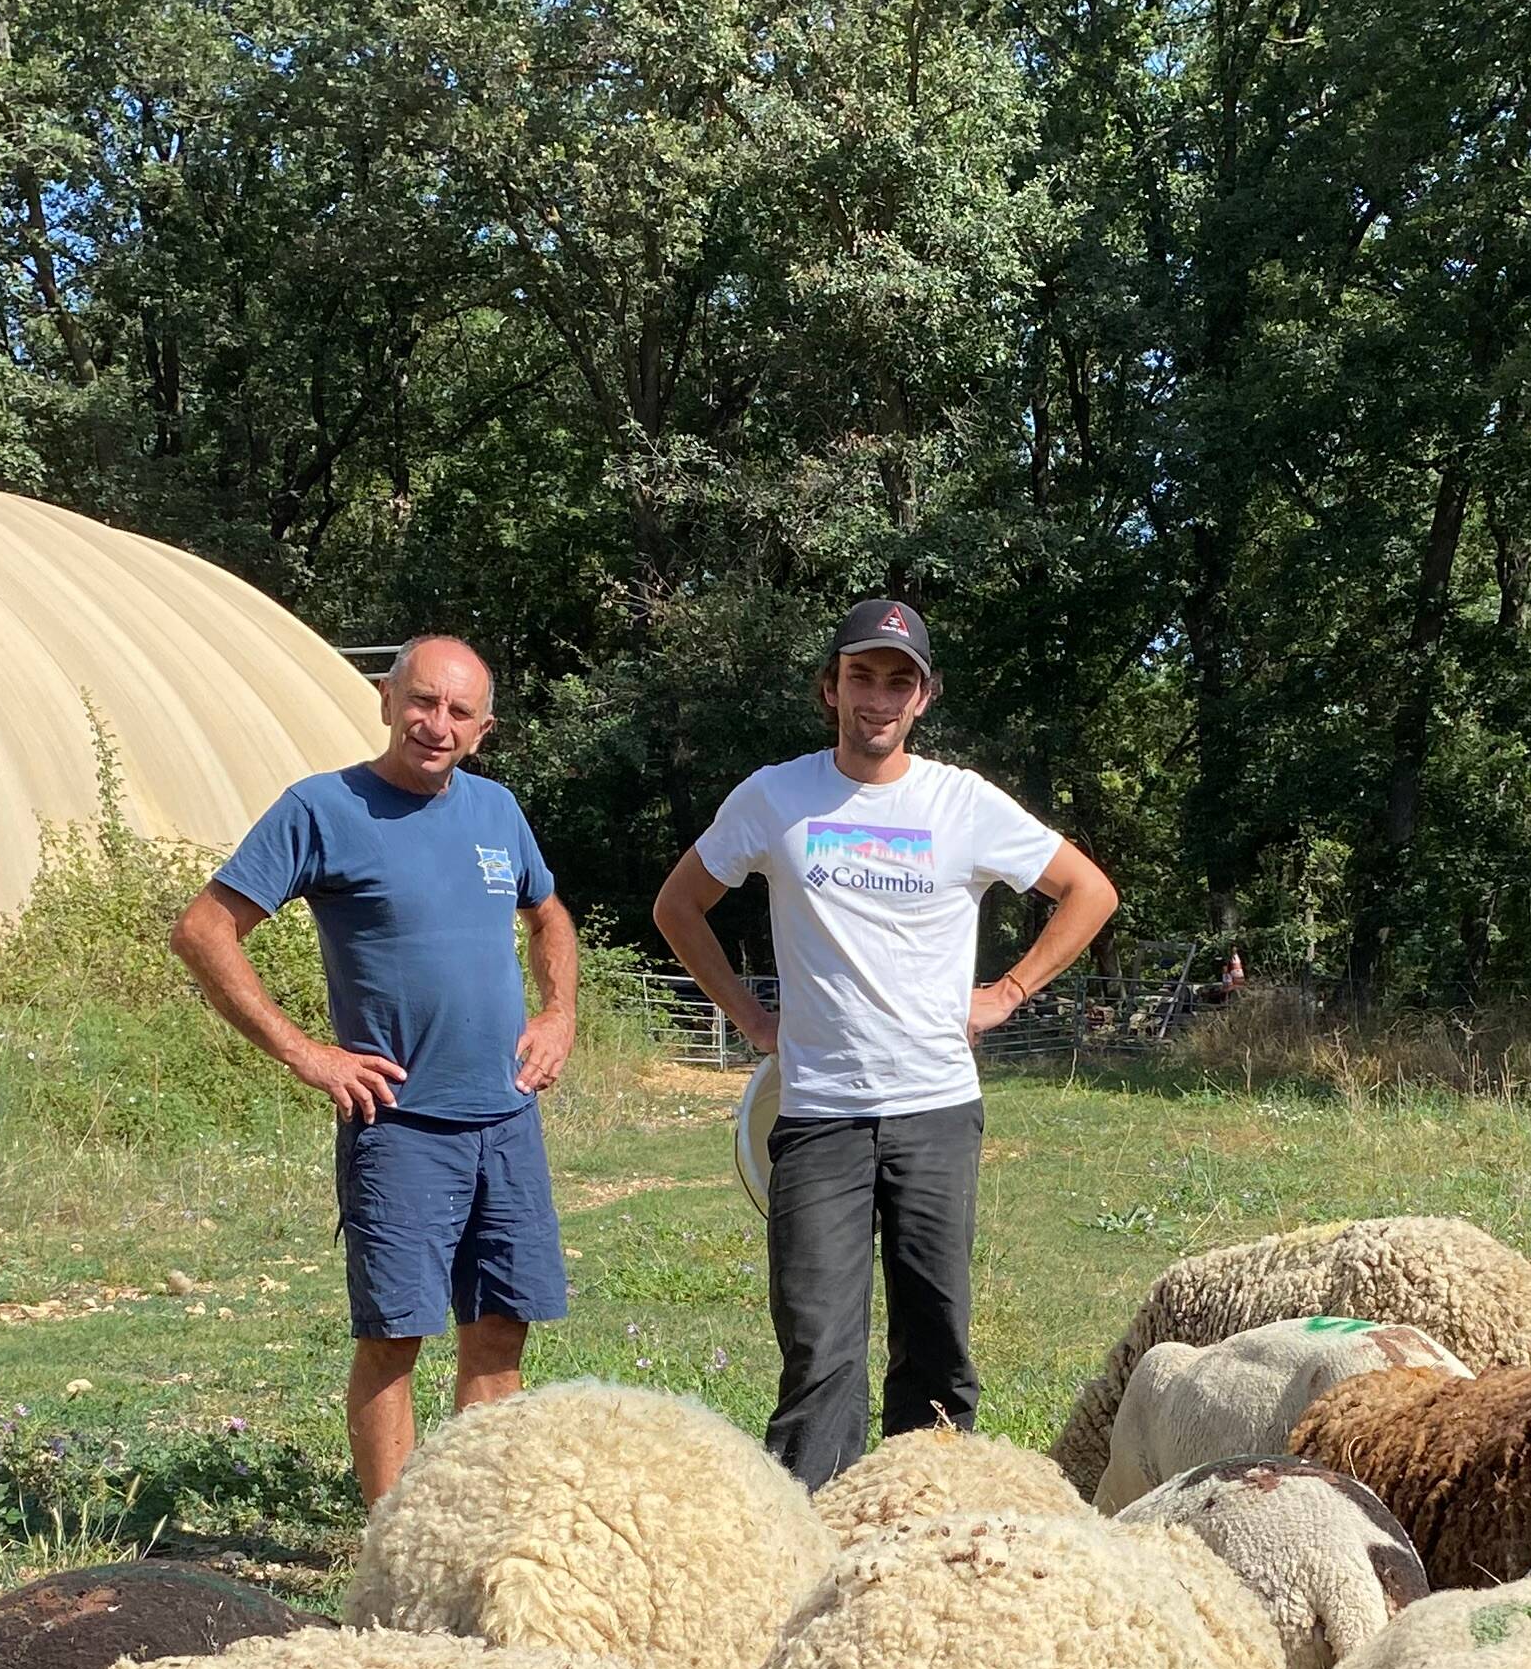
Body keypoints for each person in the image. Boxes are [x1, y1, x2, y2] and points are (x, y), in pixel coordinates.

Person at [654, 595, 1119, 1487]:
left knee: (936, 1346)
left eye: (898, 680)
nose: (879, 696)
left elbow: (1087, 890)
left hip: (937, 1112)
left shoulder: (962, 803)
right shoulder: (774, 797)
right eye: (861, 675)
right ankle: (810, 1538)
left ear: (924, 697)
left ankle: (927, 1526)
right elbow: (678, 908)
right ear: (830, 687)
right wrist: (753, 1022)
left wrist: (1010, 990)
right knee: (820, 1349)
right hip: (820, 1115)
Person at [169, 634, 574, 1505]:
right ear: (387, 699)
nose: (437, 724)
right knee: (396, 1337)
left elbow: (549, 915)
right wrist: (307, 1053)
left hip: (505, 1121)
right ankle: (391, 1543)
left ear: (483, 728)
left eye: (458, 712)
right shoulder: (323, 809)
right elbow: (205, 931)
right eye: (422, 702)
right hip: (401, 1128)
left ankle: (469, 1521)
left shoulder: (497, 812)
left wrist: (558, 1012)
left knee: (500, 1329)